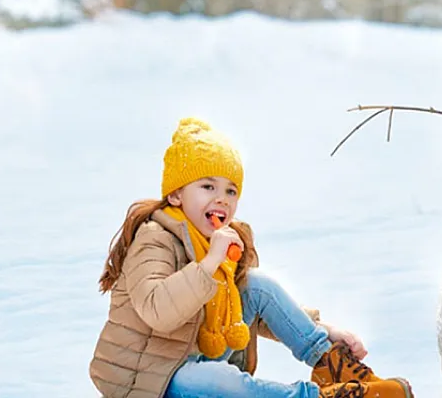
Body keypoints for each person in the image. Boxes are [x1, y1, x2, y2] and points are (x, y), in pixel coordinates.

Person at [89, 117, 414, 398]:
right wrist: (208, 265)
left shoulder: (224, 241)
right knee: (221, 380)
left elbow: (252, 315)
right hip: (148, 379)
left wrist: (325, 330)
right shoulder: (154, 238)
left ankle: (333, 366)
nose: (222, 199)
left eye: (231, 191)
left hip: (195, 355)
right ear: (176, 195)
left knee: (257, 286)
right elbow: (157, 310)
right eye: (207, 186)